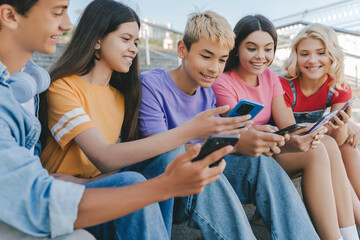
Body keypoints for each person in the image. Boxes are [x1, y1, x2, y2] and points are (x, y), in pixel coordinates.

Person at [0, 0, 233, 239]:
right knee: (135, 177)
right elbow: (106, 158)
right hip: (67, 196)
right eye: (125, 39)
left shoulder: (124, 95)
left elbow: (122, 165)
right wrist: (191, 130)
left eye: (136, 42)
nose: (133, 48)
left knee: (163, 160)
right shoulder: (64, 88)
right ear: (98, 40)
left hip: (102, 184)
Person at [139, 10, 320, 239]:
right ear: (182, 50)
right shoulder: (151, 85)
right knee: (202, 166)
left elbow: (214, 145)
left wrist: (246, 140)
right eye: (206, 56)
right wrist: (234, 144)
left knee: (259, 164)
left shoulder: (207, 92)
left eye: (222, 60)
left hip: (201, 177)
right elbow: (160, 154)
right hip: (166, 186)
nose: (215, 68)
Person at [212, 15, 358, 239]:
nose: (261, 56)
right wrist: (292, 139)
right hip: (243, 156)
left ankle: (349, 235)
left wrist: (310, 134)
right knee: (319, 148)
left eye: (268, 49)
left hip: (271, 149)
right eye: (252, 48)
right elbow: (238, 134)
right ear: (237, 48)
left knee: (325, 142)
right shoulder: (224, 81)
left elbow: (288, 126)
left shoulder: (270, 77)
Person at [280, 22, 360, 230]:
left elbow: (338, 139)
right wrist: (331, 127)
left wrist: (343, 125)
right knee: (330, 144)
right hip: (287, 148)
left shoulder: (339, 86)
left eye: (321, 53)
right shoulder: (285, 85)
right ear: (295, 55)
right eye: (304, 53)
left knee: (349, 148)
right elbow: (293, 133)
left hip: (319, 143)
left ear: (332, 55)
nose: (312, 60)